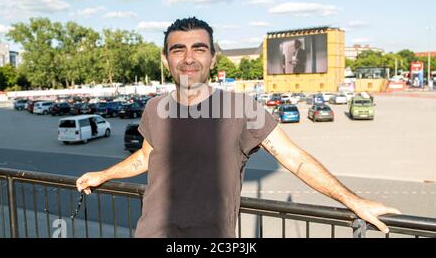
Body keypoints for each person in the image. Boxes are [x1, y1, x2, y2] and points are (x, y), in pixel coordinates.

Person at [76, 17, 401, 238]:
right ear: (166, 60)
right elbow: (146, 157)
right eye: (178, 49)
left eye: (199, 48)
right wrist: (103, 175)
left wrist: (353, 201)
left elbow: (294, 158)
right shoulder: (154, 108)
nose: (188, 58)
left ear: (213, 58)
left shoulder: (243, 108)